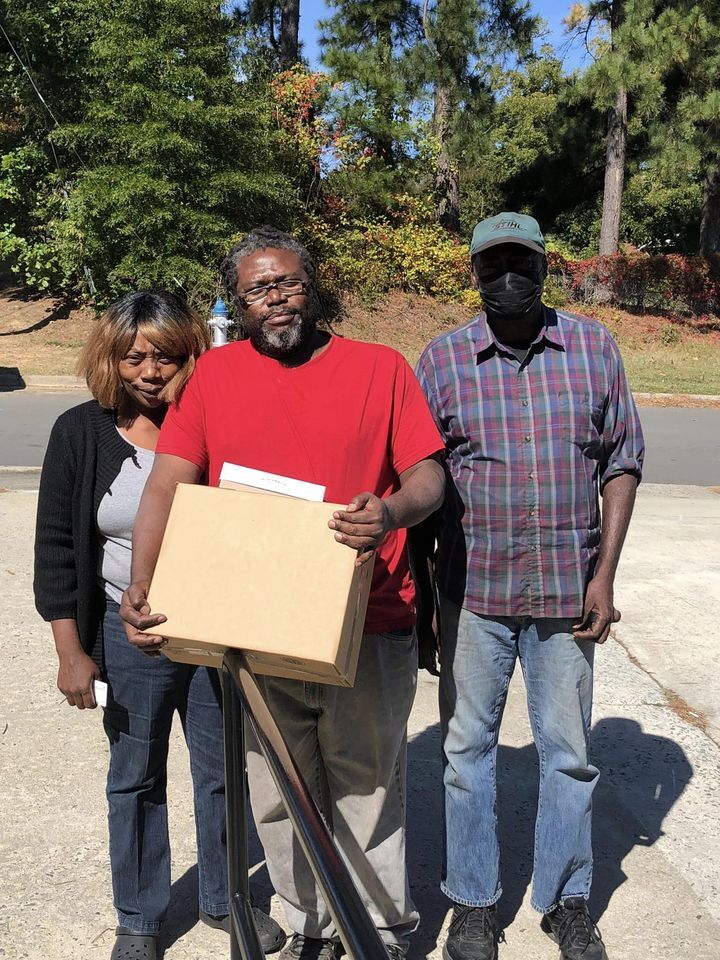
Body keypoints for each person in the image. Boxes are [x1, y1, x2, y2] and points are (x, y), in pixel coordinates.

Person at [119, 226, 446, 960]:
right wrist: (144, 582)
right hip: (258, 626)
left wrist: (389, 511)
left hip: (371, 619)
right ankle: (310, 927)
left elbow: (429, 474)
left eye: (288, 283)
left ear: (314, 285)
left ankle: (381, 932)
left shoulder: (381, 368)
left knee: (367, 787)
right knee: (278, 790)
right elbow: (169, 482)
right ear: (237, 303)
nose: (276, 301)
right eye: (258, 290)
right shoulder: (216, 376)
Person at [412, 213, 645, 960]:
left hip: (567, 595)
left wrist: (603, 576)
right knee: (466, 751)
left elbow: (621, 461)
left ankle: (567, 898)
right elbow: (421, 480)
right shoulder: (443, 361)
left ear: (547, 267)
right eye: (494, 265)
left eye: (523, 263)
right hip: (473, 592)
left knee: (569, 752)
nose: (509, 278)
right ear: (473, 272)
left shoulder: (593, 348)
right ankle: (474, 902)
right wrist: (423, 607)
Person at [33, 290, 284, 960]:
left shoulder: (218, 425)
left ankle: (225, 896)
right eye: (133, 356)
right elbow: (56, 551)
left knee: (225, 768)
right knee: (136, 773)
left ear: (192, 356)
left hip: (213, 631)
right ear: (108, 359)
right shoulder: (79, 434)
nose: (149, 371)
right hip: (130, 635)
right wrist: (70, 652)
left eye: (166, 356)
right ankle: (139, 919)